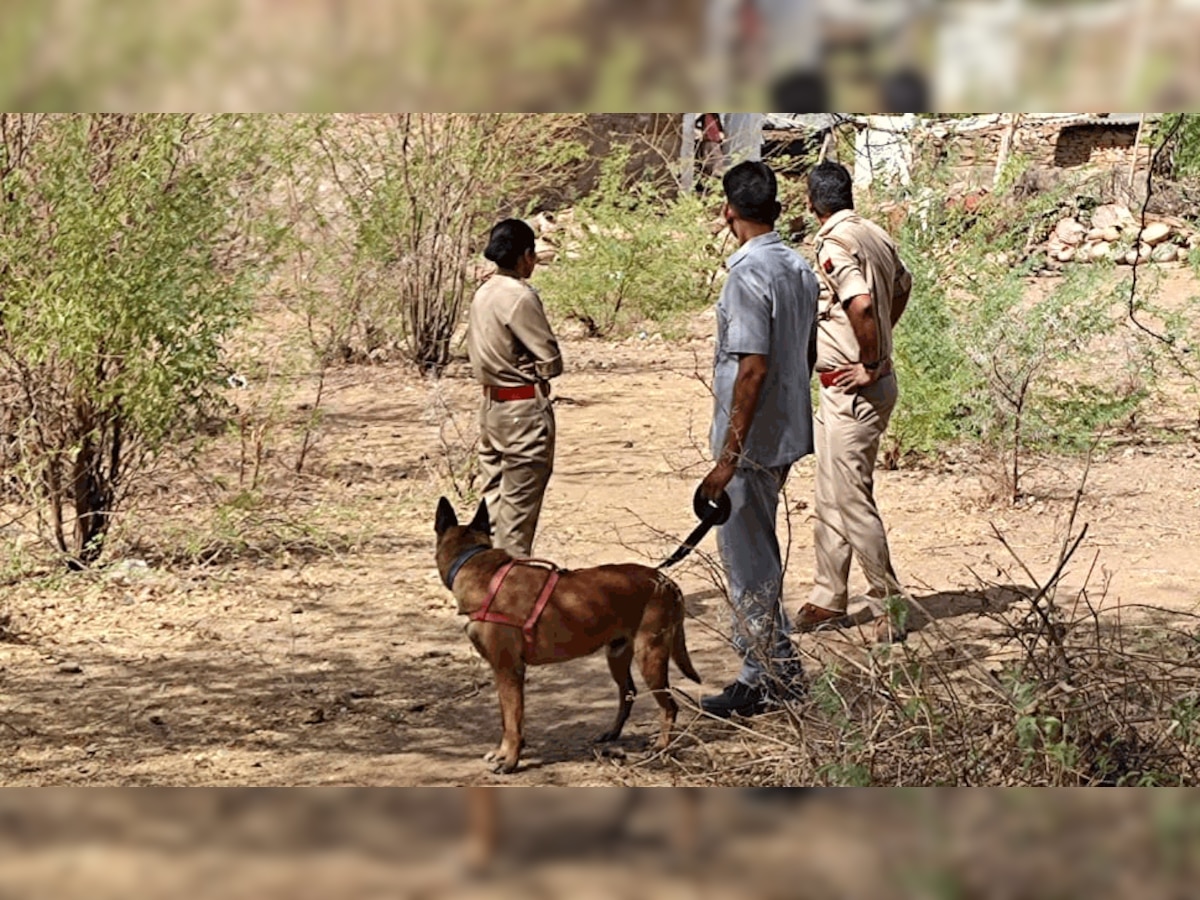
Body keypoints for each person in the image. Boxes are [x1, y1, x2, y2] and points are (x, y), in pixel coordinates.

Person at [698, 160, 819, 719]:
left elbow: (752, 366)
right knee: (759, 550)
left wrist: (728, 456)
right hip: (784, 430)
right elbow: (805, 354)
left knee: (748, 560)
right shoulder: (798, 267)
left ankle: (761, 676)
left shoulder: (749, 272)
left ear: (729, 211)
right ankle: (780, 667)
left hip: (751, 442)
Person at [798, 160, 911, 641]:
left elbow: (861, 303)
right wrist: (882, 347)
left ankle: (889, 602)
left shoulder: (834, 243)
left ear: (810, 203)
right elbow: (902, 288)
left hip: (855, 392)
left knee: (852, 499)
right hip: (845, 390)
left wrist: (870, 359)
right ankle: (830, 596)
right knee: (831, 493)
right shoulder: (874, 233)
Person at [466, 218, 563, 558]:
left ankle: (486, 585)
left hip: (491, 409)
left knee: (493, 506)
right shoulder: (520, 296)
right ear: (525, 256)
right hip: (523, 410)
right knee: (517, 518)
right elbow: (551, 360)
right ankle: (512, 594)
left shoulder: (483, 292)